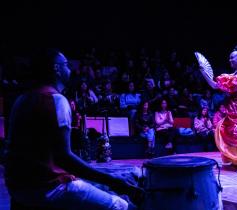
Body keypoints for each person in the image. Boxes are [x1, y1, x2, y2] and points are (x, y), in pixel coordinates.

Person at [4, 49, 143, 210]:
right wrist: (113, 181)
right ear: (56, 68)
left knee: (93, 185)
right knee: (121, 205)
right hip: (47, 188)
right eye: (66, 65)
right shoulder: (56, 100)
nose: (70, 69)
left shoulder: (21, 100)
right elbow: (64, 158)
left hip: (18, 187)